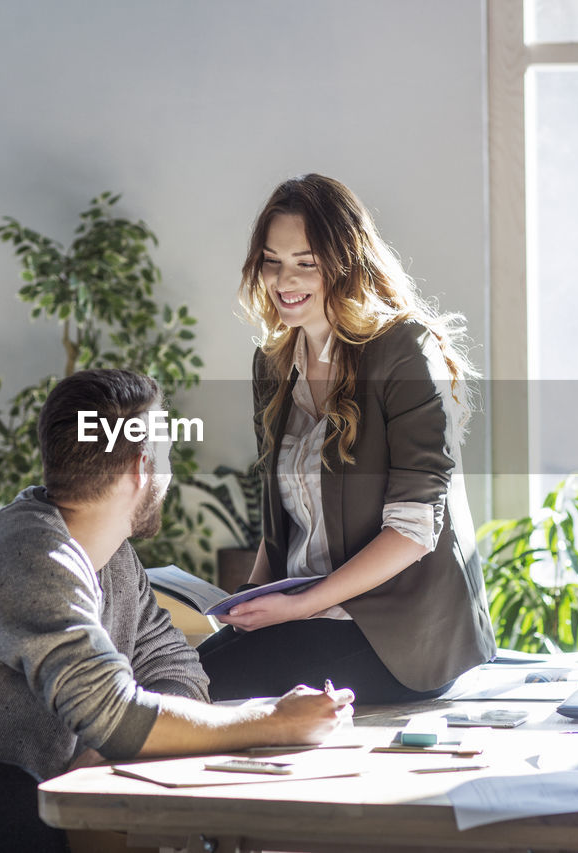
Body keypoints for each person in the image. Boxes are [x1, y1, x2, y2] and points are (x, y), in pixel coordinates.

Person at [0, 369, 353, 808]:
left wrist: (119, 739)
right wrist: (272, 721)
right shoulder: (30, 557)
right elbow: (114, 713)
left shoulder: (112, 559)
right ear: (141, 469)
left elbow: (177, 671)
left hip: (10, 806)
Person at [197, 174, 497, 705]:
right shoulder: (273, 363)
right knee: (176, 674)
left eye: (304, 262)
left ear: (345, 262)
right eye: (271, 260)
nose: (283, 279)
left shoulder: (404, 351)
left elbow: (413, 531)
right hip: (304, 615)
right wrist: (249, 604)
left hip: (400, 637)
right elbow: (280, 529)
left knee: (196, 690)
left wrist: (298, 607)